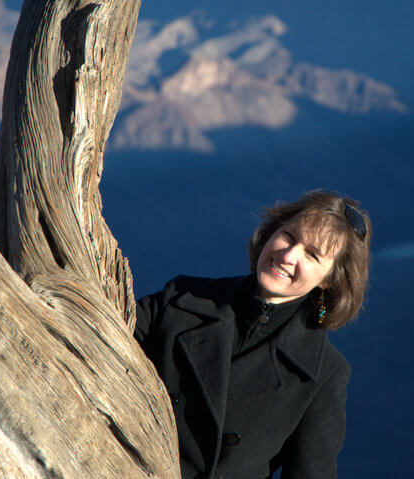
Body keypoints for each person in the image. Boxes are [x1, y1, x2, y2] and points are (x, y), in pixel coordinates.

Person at [134, 190, 371, 479]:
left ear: (329, 281)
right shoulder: (181, 300)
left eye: (312, 254)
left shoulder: (322, 376)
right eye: (289, 236)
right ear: (270, 233)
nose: (288, 255)